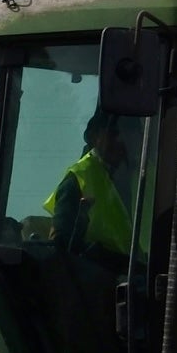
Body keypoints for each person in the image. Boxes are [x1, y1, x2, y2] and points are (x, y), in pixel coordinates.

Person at [46, 109, 138, 260]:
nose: (122, 140)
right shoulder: (77, 180)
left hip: (152, 275)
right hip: (100, 278)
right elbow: (61, 250)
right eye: (114, 133)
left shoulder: (153, 175)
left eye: (129, 132)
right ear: (95, 137)